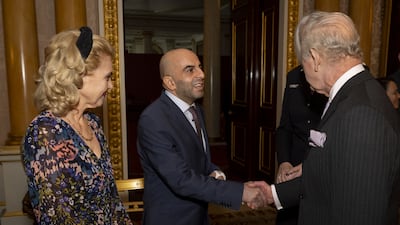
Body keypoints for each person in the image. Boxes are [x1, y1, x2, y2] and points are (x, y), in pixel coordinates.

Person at [251, 11, 400, 225]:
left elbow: (360, 215)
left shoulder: (362, 114)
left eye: (303, 63)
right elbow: (332, 173)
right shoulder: (349, 95)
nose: (302, 71)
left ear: (315, 58)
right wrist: (272, 195)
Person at [136, 48, 264, 225]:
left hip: (199, 216)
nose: (202, 74)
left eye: (200, 67)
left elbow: (199, 159)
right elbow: (181, 179)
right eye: (190, 69)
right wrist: (240, 192)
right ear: (170, 82)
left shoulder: (197, 110)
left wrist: (217, 173)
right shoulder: (153, 119)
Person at [22, 27, 133, 225]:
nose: (111, 86)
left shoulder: (93, 123)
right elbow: (58, 217)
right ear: (79, 76)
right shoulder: (45, 132)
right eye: (107, 77)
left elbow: (112, 200)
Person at [275, 65, 327, 225]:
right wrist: (284, 161)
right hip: (293, 166)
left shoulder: (332, 75)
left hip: (322, 168)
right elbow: (284, 127)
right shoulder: (293, 76)